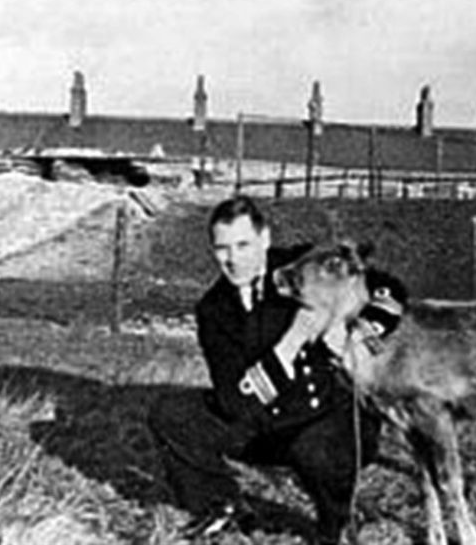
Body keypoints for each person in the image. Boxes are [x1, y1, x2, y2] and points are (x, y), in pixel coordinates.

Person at [148, 195, 406, 545]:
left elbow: (387, 288)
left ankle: (337, 522)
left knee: (315, 451)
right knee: (171, 414)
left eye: (243, 245)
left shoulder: (301, 267)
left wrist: (359, 331)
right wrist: (292, 341)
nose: (234, 259)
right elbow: (233, 402)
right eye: (222, 248)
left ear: (265, 239)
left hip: (327, 415)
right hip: (263, 422)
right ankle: (221, 506)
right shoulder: (214, 309)